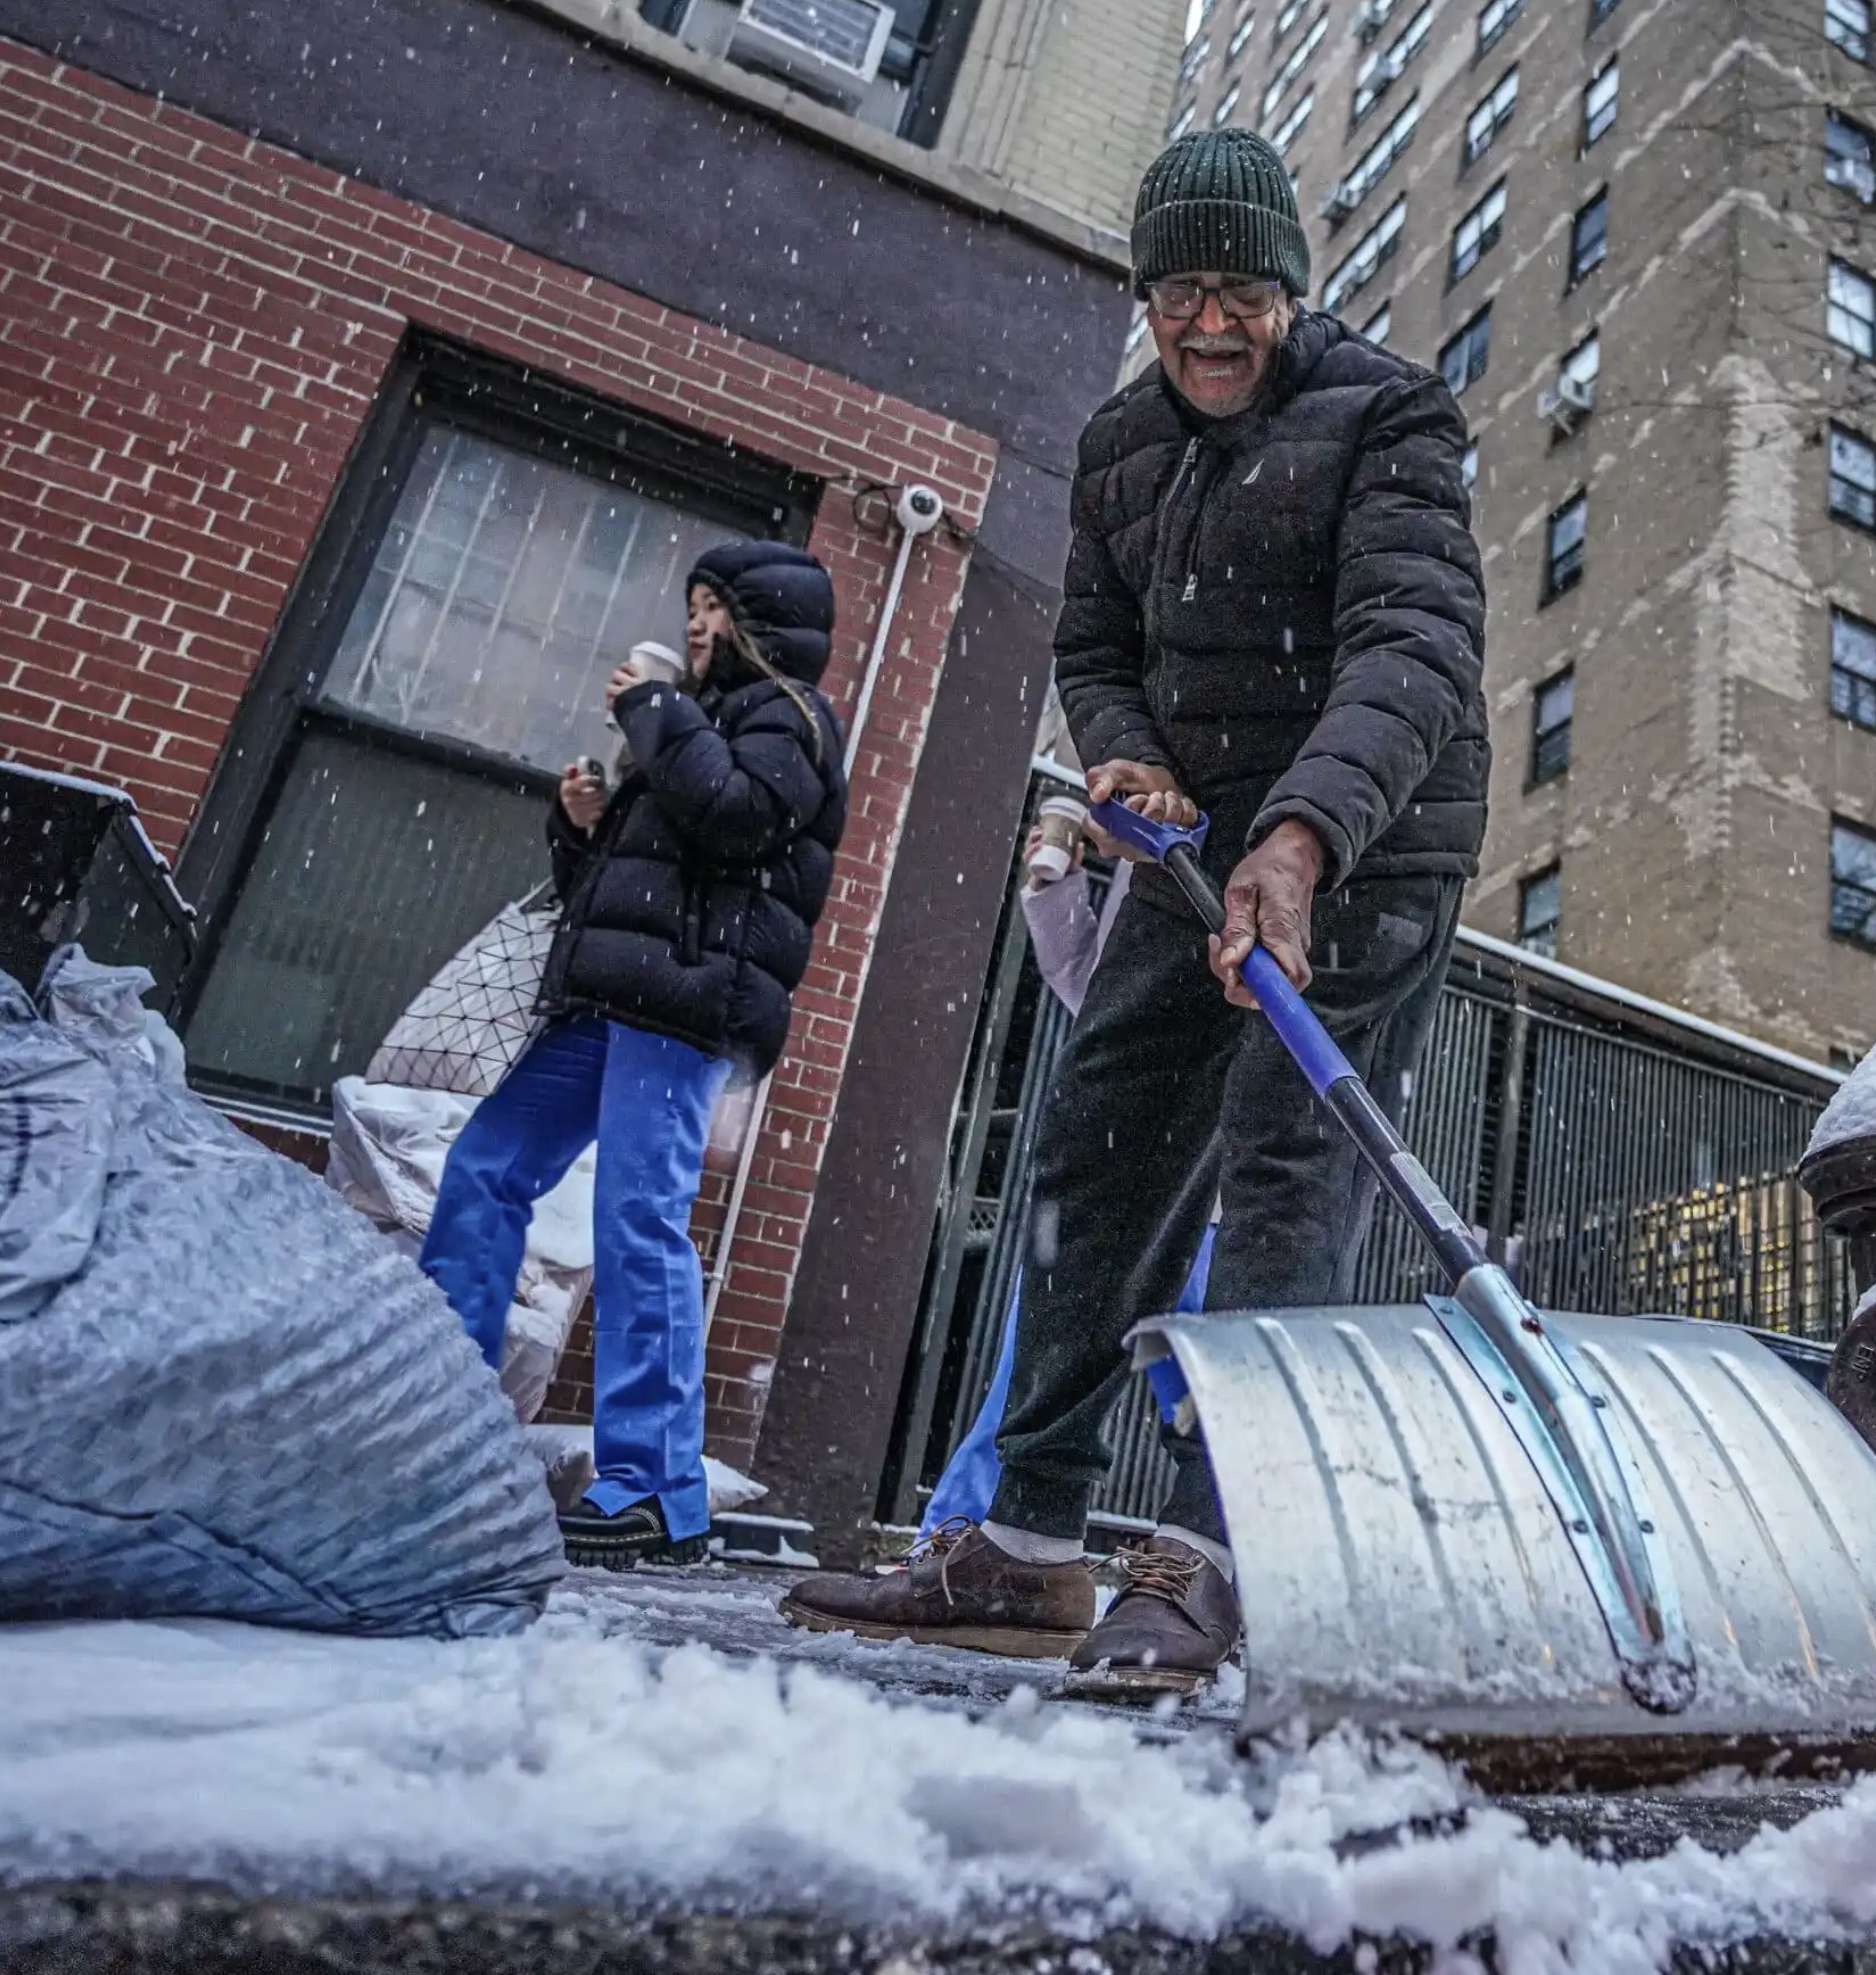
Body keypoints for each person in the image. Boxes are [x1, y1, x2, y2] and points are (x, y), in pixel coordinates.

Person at [782, 126, 1486, 1693]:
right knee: (1100, 1148)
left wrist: (1302, 837)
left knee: (1287, 1171)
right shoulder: (1115, 447)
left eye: (1240, 288)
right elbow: (1095, 647)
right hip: (1183, 849)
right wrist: (1128, 760)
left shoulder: (1392, 416)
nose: (1209, 323)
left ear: (1293, 292)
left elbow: (1417, 648)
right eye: (1177, 290)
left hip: (1369, 842)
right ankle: (1025, 1546)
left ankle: (1211, 1557)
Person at [419, 540, 847, 1568]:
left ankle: (655, 1487)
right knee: (485, 1167)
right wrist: (581, 830)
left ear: (760, 620)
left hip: (685, 1007)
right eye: (691, 606)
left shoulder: (788, 718)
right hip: (605, 1002)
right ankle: (444, 1423)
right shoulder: (698, 723)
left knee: (638, 1218)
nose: (695, 624)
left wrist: (655, 709)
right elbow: (629, 884)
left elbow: (736, 821)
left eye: (714, 607)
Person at [906, 813, 1213, 1542]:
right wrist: (1057, 881)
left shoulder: (1218, 810)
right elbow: (1095, 987)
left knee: (1209, 1400)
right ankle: (959, 1534)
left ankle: (1241, 1561)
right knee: (1040, 1364)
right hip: (1120, 1160)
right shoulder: (1138, 864)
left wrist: (1163, 849)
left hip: (1196, 1170)